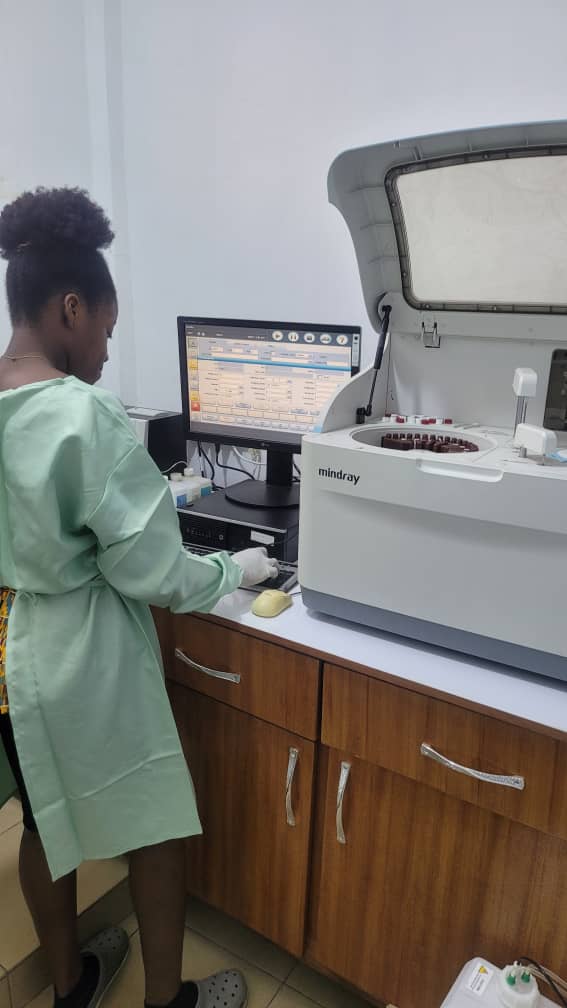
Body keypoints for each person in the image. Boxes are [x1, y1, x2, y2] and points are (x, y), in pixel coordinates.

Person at [0, 187, 278, 1008]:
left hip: (8, 654)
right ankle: (168, 1003)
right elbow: (155, 572)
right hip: (81, 653)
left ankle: (71, 984)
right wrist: (239, 574)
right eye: (108, 333)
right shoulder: (84, 415)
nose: (108, 355)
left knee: (46, 819)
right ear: (72, 307)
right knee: (157, 831)